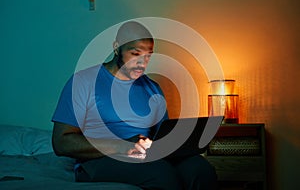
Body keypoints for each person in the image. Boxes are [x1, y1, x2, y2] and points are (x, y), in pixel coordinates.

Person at [51, 21, 218, 190]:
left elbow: (161, 136)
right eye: (135, 53)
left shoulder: (152, 88)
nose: (142, 63)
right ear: (117, 48)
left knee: (200, 169)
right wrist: (123, 145)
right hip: (98, 161)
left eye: (148, 56)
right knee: (160, 173)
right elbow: (61, 142)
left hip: (145, 156)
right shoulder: (83, 82)